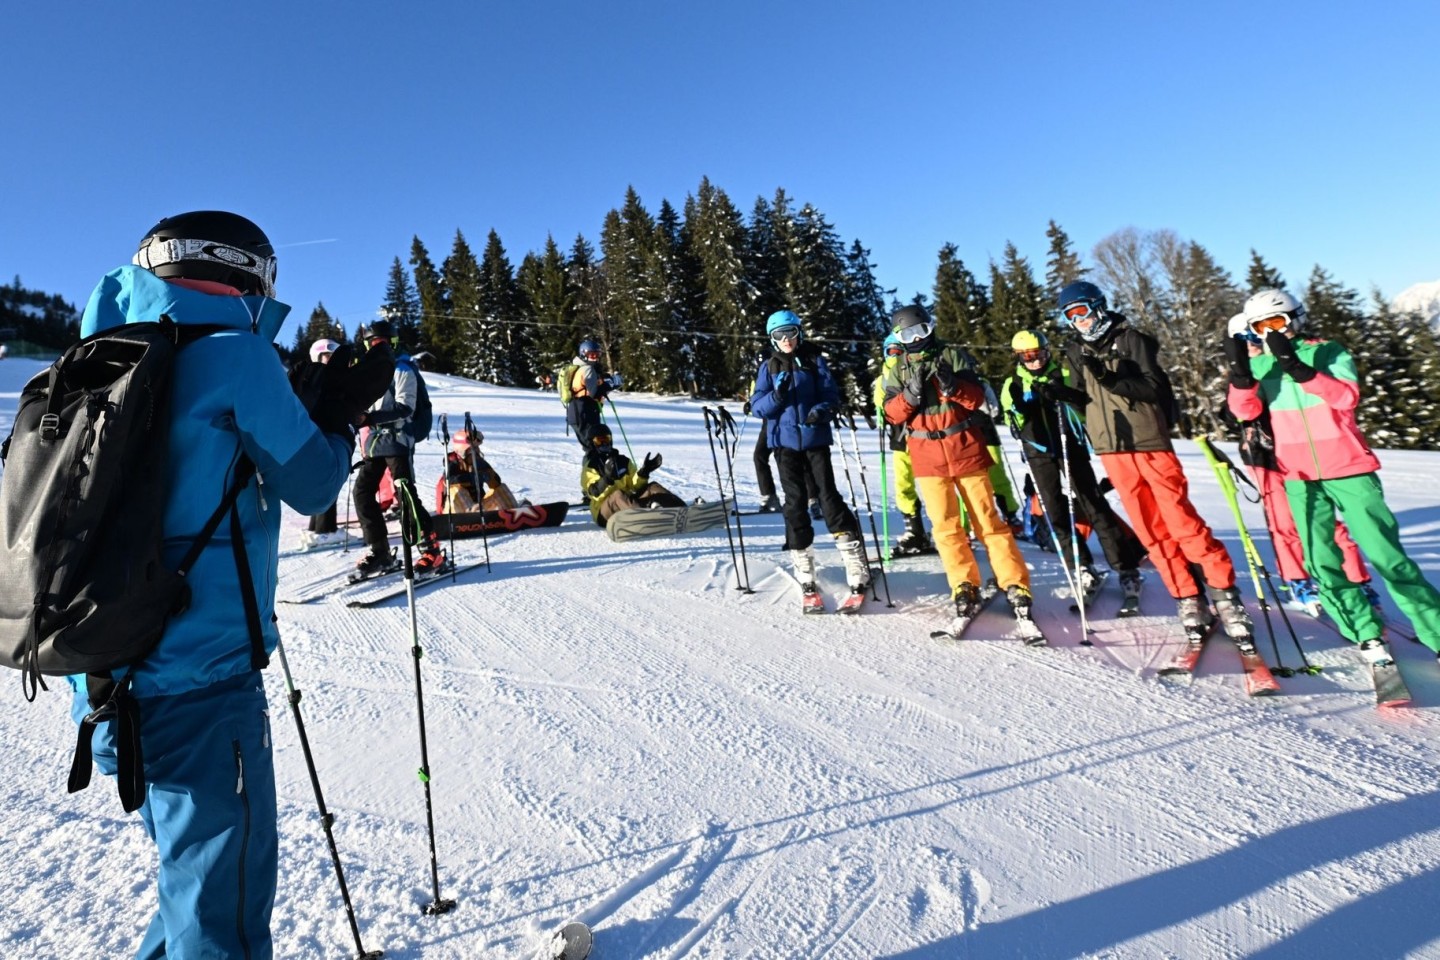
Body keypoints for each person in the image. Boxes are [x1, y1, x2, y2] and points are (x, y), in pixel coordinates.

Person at [73, 210, 382, 958]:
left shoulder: (94, 359)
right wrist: (337, 418)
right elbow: (312, 486)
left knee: (196, 890)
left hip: (104, 680)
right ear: (250, 276)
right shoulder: (237, 358)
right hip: (202, 688)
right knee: (223, 918)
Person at [1225, 289, 1440, 663]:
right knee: (1321, 561)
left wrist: (1300, 369)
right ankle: (1365, 633)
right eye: (1261, 326)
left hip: (1350, 468)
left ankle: (1435, 631)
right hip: (1298, 474)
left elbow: (1345, 397)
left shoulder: (1329, 351)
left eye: (1276, 322)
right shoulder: (1262, 366)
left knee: (1388, 556)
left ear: (1296, 318)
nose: (1270, 332)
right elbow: (1244, 411)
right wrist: (1241, 375)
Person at [1057, 280, 1252, 640]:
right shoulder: (1074, 351)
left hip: (1149, 442)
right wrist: (1062, 392)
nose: (1079, 321)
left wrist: (1110, 378)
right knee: (1150, 531)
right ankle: (1187, 596)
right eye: (1070, 316)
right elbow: (1086, 400)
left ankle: (1225, 594)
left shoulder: (1131, 340)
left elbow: (1155, 389)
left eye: (1081, 311)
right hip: (1111, 448)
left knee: (1182, 523)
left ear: (1098, 306)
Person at [880, 305, 1033, 625]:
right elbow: (891, 414)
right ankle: (963, 583)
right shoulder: (898, 368)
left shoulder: (951, 355)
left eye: (921, 330)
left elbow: (977, 399)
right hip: (927, 457)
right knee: (947, 527)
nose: (917, 339)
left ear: (930, 327)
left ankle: (1015, 582)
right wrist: (910, 395)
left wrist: (955, 387)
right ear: (899, 337)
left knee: (988, 522)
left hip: (964, 449)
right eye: (908, 334)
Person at [1223, 313, 1378, 615]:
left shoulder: (1281, 360)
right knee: (1284, 523)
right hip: (1264, 455)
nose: (1254, 346)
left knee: (1328, 524)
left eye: (1256, 339)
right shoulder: (1246, 371)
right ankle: (1298, 579)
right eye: (1247, 341)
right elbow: (1232, 412)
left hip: (1303, 451)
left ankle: (1356, 579)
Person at [1000, 329, 1146, 598]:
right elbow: (1013, 418)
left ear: (1047, 352)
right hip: (1039, 453)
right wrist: (1021, 409)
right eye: (1028, 356)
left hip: (1071, 446)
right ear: (1018, 357)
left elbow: (1086, 405)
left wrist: (1065, 395)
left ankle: (1126, 568)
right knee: (1055, 512)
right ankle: (1081, 566)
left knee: (1094, 505)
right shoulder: (1013, 385)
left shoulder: (1065, 374)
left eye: (1039, 354)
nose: (1035, 361)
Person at [749, 309, 869, 600]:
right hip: (784, 445)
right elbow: (757, 407)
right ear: (772, 339)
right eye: (779, 335)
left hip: (815, 441)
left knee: (828, 497)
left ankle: (855, 562)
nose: (786, 339)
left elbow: (831, 395)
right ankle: (803, 564)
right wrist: (776, 397)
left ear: (799, 333)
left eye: (790, 333)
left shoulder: (814, 360)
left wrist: (823, 410)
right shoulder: (769, 367)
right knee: (795, 502)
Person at [352, 319, 445, 577]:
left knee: (405, 497)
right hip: (374, 444)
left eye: (382, 342)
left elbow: (406, 407)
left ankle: (432, 551)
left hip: (398, 441)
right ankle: (380, 552)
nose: (378, 347)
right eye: (373, 343)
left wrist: (369, 418)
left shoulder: (402, 368)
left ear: (392, 343)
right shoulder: (368, 370)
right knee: (362, 493)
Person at [873, 332, 933, 555]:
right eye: (892, 352)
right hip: (899, 438)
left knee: (934, 483)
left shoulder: (913, 370)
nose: (895, 356)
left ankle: (952, 529)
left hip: (924, 435)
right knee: (903, 484)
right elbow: (881, 404)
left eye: (900, 351)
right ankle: (914, 530)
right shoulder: (883, 378)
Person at [580, 423, 684, 524]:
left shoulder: (623, 461)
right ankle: (645, 517)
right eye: (599, 441)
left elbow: (635, 486)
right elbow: (593, 492)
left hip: (627, 503)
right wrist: (607, 479)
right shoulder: (591, 466)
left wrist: (644, 472)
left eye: (606, 439)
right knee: (617, 494)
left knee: (652, 487)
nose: (604, 444)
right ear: (592, 443)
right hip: (603, 511)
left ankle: (682, 510)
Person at [298, 338, 346, 549]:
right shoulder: (319, 378)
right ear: (317, 356)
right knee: (328, 481)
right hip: (321, 435)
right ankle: (326, 531)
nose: (330, 360)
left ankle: (317, 527)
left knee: (321, 481)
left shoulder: (314, 376)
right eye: (327, 356)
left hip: (319, 435)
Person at [436, 428, 519, 513]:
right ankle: (472, 516)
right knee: (455, 488)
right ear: (462, 450)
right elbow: (450, 481)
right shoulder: (453, 462)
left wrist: (490, 476)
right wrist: (476, 478)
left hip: (478, 508)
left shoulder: (479, 462)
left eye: (476, 448)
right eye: (472, 449)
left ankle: (514, 513)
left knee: (500, 488)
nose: (476, 451)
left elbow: (496, 482)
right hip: (452, 511)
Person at [565, 337, 618, 447]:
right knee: (596, 447)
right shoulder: (587, 369)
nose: (595, 358)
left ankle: (596, 464)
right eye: (591, 355)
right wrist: (611, 384)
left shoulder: (580, 368)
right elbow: (594, 393)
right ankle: (597, 464)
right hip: (585, 412)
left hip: (578, 412)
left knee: (592, 447)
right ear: (583, 354)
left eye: (597, 355)